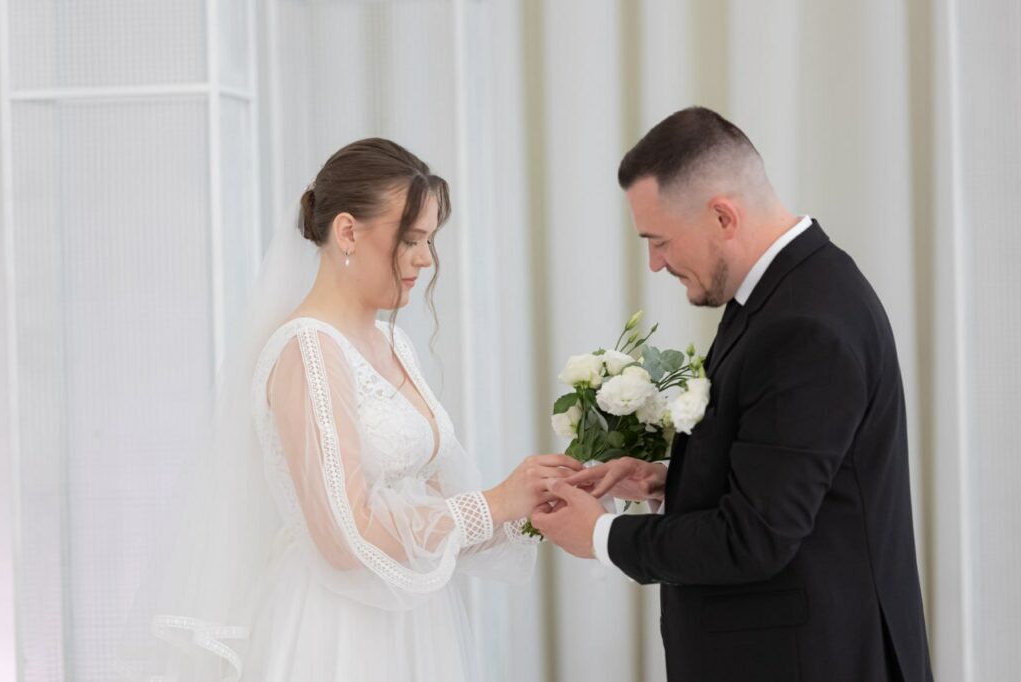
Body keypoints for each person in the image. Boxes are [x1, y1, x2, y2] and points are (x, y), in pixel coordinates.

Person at [117, 138, 578, 681]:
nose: (425, 259)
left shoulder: (394, 343)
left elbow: (436, 508)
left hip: (409, 621)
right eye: (411, 239)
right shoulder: (308, 350)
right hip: (337, 632)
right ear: (348, 232)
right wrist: (495, 502)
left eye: (429, 241)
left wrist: (538, 500)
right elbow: (343, 536)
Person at [532, 107, 933, 681]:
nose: (655, 263)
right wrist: (669, 483)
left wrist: (601, 534)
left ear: (723, 216)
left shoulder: (805, 323)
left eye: (659, 241)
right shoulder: (788, 290)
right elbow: (788, 480)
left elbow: (756, 538)